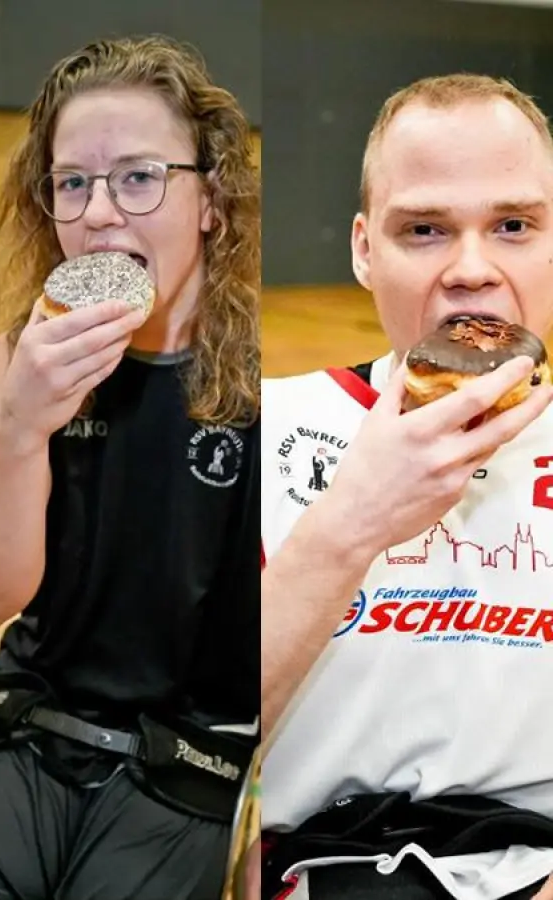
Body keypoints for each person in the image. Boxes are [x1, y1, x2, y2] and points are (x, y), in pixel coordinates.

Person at [0, 36, 262, 900]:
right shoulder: (16, 360)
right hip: (33, 716)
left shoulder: (265, 387)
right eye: (72, 183)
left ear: (211, 201)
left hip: (193, 748)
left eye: (138, 178)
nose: (98, 213)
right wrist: (20, 424)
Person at [260, 74, 553, 900]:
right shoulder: (264, 430)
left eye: (514, 225)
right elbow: (189, 737)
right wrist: (348, 525)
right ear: (363, 249)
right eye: (425, 229)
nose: (472, 270)